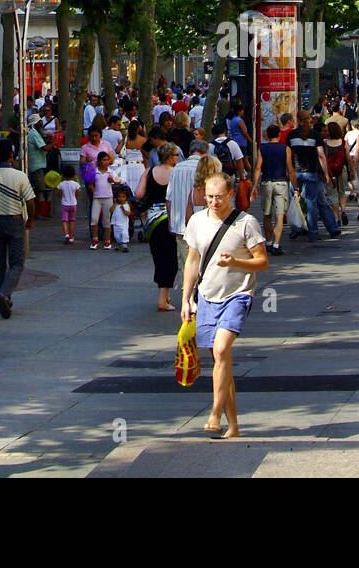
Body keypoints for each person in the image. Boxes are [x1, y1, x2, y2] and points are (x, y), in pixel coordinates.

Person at [179, 172, 269, 439]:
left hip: (238, 295)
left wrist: (235, 263)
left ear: (230, 194)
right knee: (222, 361)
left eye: (219, 197)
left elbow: (262, 262)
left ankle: (214, 414)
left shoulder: (246, 223)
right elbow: (192, 261)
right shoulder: (196, 221)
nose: (213, 202)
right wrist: (185, 299)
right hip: (207, 296)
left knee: (221, 350)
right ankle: (234, 426)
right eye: (209, 197)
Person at [0, 139, 36, 319]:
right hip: (15, 220)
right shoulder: (20, 176)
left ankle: (3, 294)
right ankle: (5, 293)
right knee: (17, 262)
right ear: (11, 155)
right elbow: (30, 201)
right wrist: (30, 220)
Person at [137, 143, 180, 311]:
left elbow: (139, 194)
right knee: (171, 259)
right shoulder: (176, 174)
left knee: (158, 256)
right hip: (171, 218)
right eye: (176, 155)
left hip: (152, 220)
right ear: (170, 157)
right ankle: (163, 298)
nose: (178, 157)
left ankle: (165, 293)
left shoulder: (148, 172)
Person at [287, 111, 340, 241]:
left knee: (294, 200)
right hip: (311, 172)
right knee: (312, 203)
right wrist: (326, 173)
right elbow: (321, 155)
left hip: (296, 172)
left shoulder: (292, 135)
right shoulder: (315, 135)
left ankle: (296, 228)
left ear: (298, 120)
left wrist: (288, 172)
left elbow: (288, 156)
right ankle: (313, 232)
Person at [252, 125, 294, 256]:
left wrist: (254, 186)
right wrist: (295, 186)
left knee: (267, 214)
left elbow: (258, 168)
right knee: (280, 215)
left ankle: (268, 242)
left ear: (267, 135)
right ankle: (276, 244)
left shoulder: (262, 149)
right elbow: (290, 169)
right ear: (279, 135)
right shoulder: (285, 149)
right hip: (281, 182)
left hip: (267, 182)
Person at [88, 151, 121, 250]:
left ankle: (107, 241)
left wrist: (113, 181)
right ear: (99, 162)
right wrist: (94, 192)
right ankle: (95, 239)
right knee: (94, 219)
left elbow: (118, 181)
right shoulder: (95, 172)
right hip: (97, 199)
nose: (106, 162)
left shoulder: (111, 172)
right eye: (104, 160)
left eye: (107, 160)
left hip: (108, 198)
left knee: (107, 221)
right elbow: (90, 184)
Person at [56, 168, 81, 244]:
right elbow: (77, 194)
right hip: (73, 204)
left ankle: (66, 234)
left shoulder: (61, 184)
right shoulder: (76, 184)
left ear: (63, 175)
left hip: (64, 204)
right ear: (74, 175)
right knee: (72, 220)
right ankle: (71, 236)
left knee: (64, 220)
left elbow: (59, 195)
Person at [110, 187, 132, 253]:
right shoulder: (116, 205)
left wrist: (124, 210)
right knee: (117, 235)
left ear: (126, 198)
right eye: (119, 196)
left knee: (124, 233)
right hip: (116, 223)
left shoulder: (126, 205)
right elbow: (111, 210)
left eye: (123, 197)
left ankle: (125, 245)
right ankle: (119, 244)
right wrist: (114, 204)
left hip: (124, 223)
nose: (121, 198)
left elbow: (128, 213)